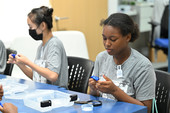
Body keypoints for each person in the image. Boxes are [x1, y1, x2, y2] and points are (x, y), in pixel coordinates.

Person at [88, 13, 156, 113]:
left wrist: (115, 91)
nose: (107, 44)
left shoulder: (142, 66)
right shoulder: (101, 58)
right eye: (104, 38)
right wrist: (93, 89)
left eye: (113, 39)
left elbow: (146, 109)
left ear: (128, 37)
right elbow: (96, 97)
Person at [7, 6, 68, 88]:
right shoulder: (41, 47)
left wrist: (28, 62)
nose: (30, 30)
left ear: (43, 25)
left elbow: (53, 76)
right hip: (44, 92)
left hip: (56, 95)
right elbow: (36, 77)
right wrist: (20, 64)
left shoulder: (54, 44)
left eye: (31, 27)